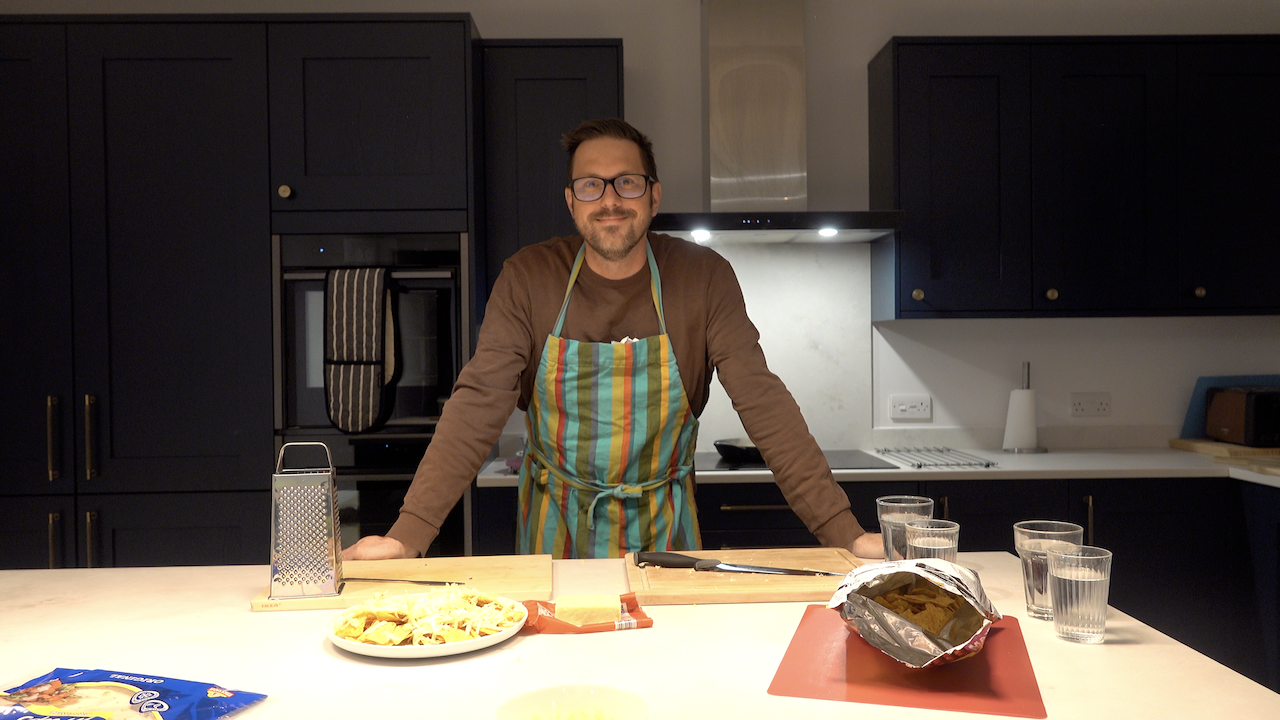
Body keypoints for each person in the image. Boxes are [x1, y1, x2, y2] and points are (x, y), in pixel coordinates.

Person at [343, 118, 882, 561]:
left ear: (653, 195)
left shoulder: (704, 277)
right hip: (552, 532)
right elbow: (478, 402)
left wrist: (845, 533)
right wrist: (408, 535)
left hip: (665, 536)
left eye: (627, 182)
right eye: (591, 185)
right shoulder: (528, 277)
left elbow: (762, 401)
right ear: (571, 200)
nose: (610, 200)